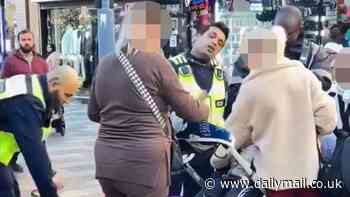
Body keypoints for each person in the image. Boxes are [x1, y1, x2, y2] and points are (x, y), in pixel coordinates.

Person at [88, 2, 209, 197]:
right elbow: (191, 111)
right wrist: (204, 104)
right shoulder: (156, 61)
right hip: (145, 165)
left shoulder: (105, 63)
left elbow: (93, 113)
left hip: (106, 159)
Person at [225, 26, 337, 197]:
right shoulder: (303, 74)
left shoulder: (251, 86)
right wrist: (309, 129)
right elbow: (327, 117)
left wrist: (219, 158)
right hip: (306, 171)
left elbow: (234, 134)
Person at [168, 21, 231, 197]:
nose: (214, 43)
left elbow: (227, 114)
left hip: (214, 158)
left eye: (220, 43)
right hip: (180, 156)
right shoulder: (171, 67)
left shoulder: (222, 75)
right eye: (211, 36)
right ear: (197, 35)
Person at [0, 65, 82, 197]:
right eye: (67, 95)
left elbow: (38, 142)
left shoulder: (37, 89)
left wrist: (49, 174)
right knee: (6, 189)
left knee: (10, 188)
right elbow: (34, 157)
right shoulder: (26, 101)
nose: (68, 101)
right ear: (54, 84)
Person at [1, 30, 49, 173]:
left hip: (36, 106)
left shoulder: (41, 61)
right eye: (23, 40)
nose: (26, 42)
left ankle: (47, 169)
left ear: (33, 41)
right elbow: (3, 81)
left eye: (29, 39)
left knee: (40, 138)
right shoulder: (10, 61)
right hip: (18, 107)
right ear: (19, 41)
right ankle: (12, 161)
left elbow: (46, 82)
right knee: (16, 137)